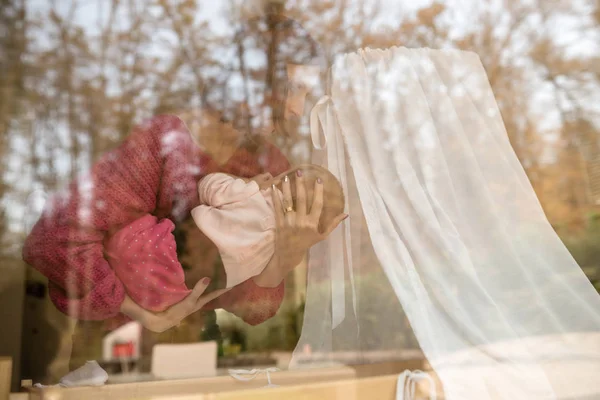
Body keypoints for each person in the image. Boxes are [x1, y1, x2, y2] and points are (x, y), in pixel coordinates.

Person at [22, 3, 333, 371]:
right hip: (117, 355)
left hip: (199, 354)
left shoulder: (271, 168)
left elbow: (255, 310)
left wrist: (284, 256)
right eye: (294, 89)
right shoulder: (164, 142)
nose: (297, 110)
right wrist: (142, 313)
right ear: (252, 77)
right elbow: (55, 238)